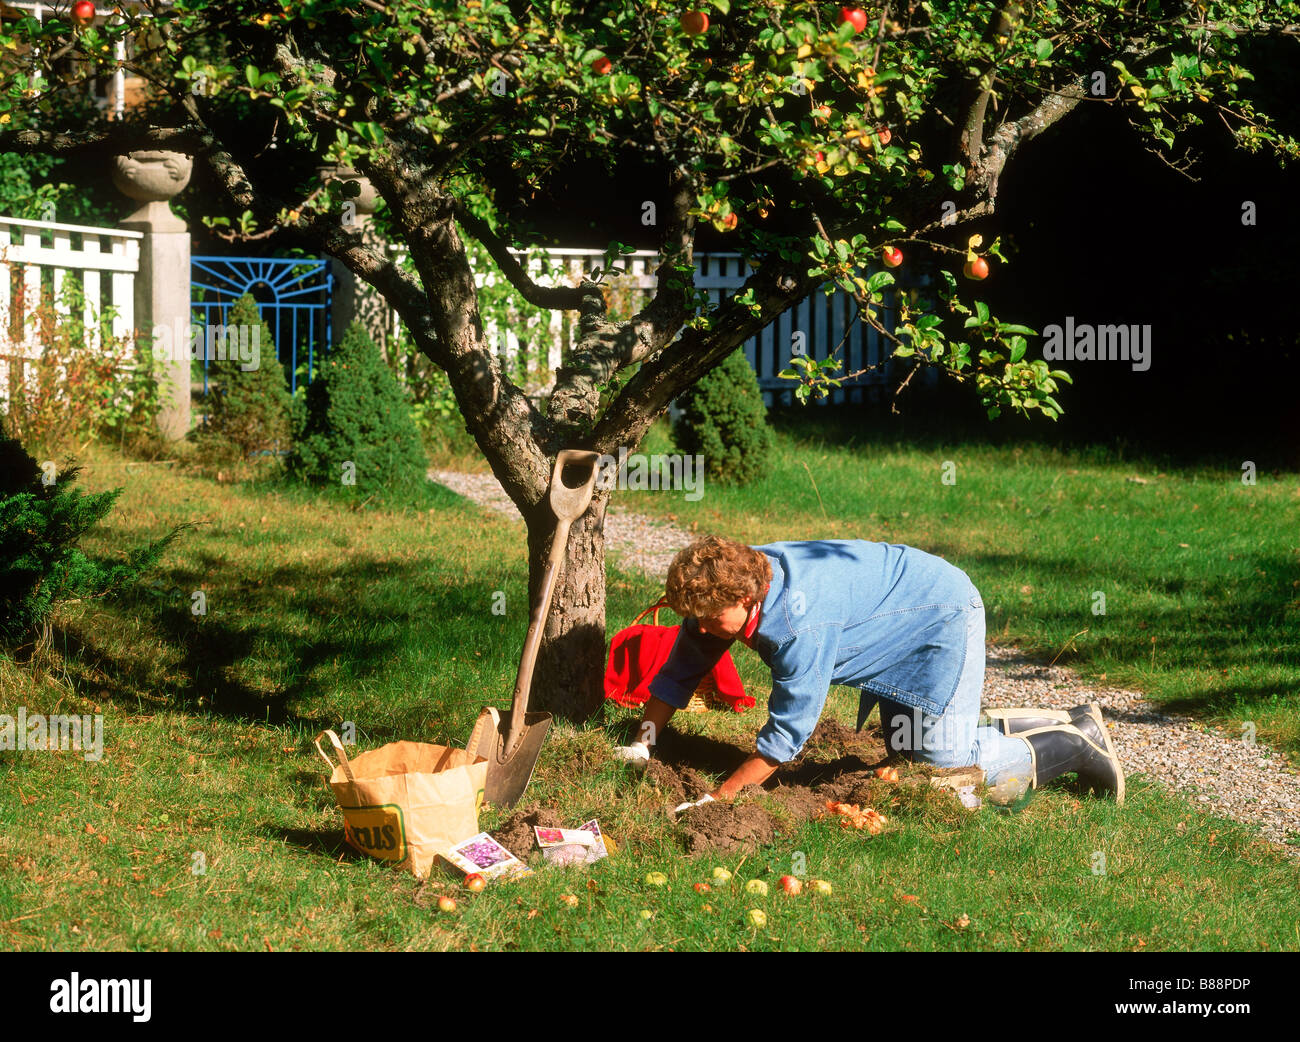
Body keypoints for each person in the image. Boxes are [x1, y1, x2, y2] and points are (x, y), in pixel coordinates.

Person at [614, 536, 1124, 810]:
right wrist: (643, 741)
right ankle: (1033, 722)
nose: (700, 626)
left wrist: (719, 799)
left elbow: (786, 735)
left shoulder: (798, 623)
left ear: (746, 597)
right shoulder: (728, 584)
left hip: (939, 614)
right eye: (693, 617)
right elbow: (679, 670)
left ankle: (1078, 741)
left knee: (941, 772)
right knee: (908, 748)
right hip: (900, 607)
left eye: (708, 617)